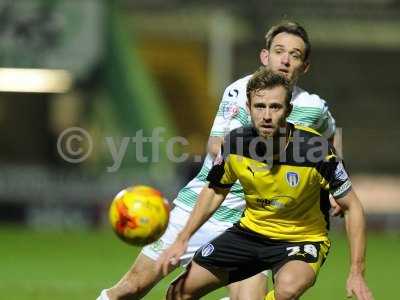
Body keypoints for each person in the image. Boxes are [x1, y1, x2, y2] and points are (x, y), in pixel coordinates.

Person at [97, 21, 340, 300]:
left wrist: (330, 186)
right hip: (200, 205)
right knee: (132, 288)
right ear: (265, 56)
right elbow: (216, 145)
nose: (285, 60)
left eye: (294, 55)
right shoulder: (242, 90)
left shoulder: (313, 107)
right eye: (279, 51)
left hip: (252, 222)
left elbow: (327, 141)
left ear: (304, 65)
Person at [158, 68, 373, 300]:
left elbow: (353, 206)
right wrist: (182, 239)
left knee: (288, 289)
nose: (267, 115)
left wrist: (356, 272)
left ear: (288, 110)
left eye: (275, 107)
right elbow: (214, 191)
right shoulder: (235, 144)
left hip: (301, 239)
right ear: (249, 108)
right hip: (250, 233)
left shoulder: (315, 149)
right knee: (178, 294)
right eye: (260, 106)